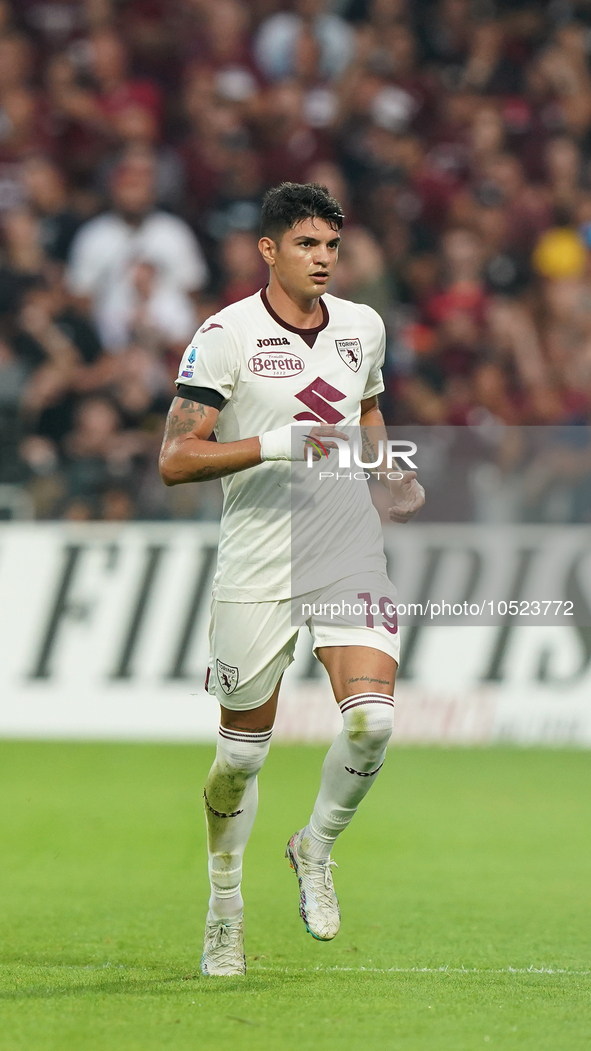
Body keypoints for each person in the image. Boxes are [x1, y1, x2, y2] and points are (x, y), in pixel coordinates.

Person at [158, 182, 425, 977]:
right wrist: (278, 445)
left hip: (347, 549)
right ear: (268, 250)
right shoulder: (224, 336)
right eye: (307, 245)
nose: (322, 260)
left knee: (373, 722)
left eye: (332, 247)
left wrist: (388, 476)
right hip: (258, 560)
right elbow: (175, 459)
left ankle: (314, 847)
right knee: (241, 758)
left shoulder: (361, 328)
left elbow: (366, 410)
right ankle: (224, 905)